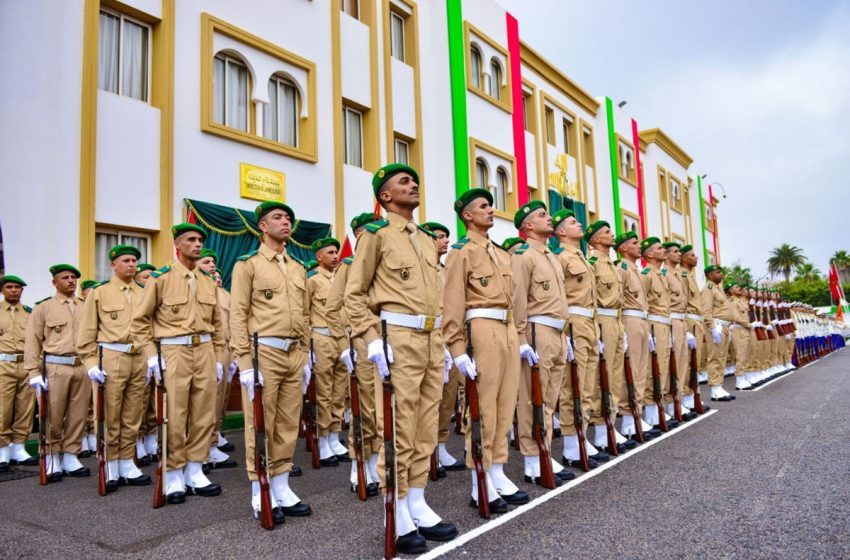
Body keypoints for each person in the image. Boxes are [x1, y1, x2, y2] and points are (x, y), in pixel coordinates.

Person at [345, 164, 458, 553]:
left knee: (426, 424)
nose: (414, 184)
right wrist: (372, 338)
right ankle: (394, 508)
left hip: (429, 337)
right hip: (398, 338)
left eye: (415, 180)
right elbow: (354, 294)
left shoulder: (426, 239)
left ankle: (417, 500)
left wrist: (442, 343)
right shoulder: (376, 236)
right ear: (385, 196)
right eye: (403, 182)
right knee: (398, 425)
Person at [443, 189, 526, 512]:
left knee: (506, 405)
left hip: (506, 330)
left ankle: (498, 470)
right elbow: (452, 303)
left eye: (490, 206)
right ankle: (481, 477)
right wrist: (458, 348)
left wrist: (520, 337)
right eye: (483, 206)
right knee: (484, 408)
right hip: (482, 329)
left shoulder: (501, 253)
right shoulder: (461, 252)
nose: (490, 211)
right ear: (467, 215)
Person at [131, 223, 226, 503]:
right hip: (174, 351)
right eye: (191, 240)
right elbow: (139, 321)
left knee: (203, 413)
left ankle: (195, 469)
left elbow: (218, 325)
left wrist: (219, 357)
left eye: (200, 240)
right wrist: (151, 354)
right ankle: (173, 472)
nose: (197, 244)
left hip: (205, 350)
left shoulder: (208, 281)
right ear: (178, 245)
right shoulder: (160, 279)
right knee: (174, 414)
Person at [230, 201, 312, 523]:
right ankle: (258, 488)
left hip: (294, 351)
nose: (285, 221)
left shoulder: (297, 266)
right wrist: (245, 363)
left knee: (289, 421)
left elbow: (305, 313)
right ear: (263, 226)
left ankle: (281, 484)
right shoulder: (247, 265)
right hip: (263, 351)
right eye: (278, 217)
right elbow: (237, 315)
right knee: (261, 422)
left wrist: (305, 353)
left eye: (288, 217)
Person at [76, 245, 151, 491]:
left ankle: (127, 461)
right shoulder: (100, 293)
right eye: (126, 260)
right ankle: (110, 461)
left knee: (133, 414)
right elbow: (86, 335)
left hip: (139, 357)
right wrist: (90, 364)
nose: (131, 264)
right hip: (111, 357)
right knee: (110, 414)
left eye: (134, 260)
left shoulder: (145, 292)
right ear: (114, 264)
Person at [510, 201, 575, 480]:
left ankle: (544, 451)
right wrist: (522, 339)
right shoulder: (524, 256)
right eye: (541, 215)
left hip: (557, 333)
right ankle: (533, 461)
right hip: (538, 332)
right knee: (532, 399)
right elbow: (518, 300)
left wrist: (567, 335)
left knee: (550, 399)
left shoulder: (550, 256)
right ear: (527, 225)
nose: (549, 218)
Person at [327, 212, 381, 496]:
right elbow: (332, 308)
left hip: (387, 341)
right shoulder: (348, 265)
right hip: (361, 340)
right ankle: (359, 464)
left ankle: (378, 462)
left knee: (386, 407)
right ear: (359, 235)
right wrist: (343, 344)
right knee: (366, 406)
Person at [552, 210, 608, 464]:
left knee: (587, 385)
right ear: (561, 231)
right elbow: (558, 297)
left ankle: (582, 437)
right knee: (571, 386)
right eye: (573, 222)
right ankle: (571, 445)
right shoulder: (560, 258)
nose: (580, 224)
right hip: (573, 323)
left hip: (590, 322)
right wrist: (564, 332)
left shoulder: (583, 258)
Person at [25, 264, 90, 481]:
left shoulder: (86, 305)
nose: (71, 281)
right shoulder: (43, 308)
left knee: (78, 414)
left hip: (82, 366)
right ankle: (52, 455)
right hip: (55, 367)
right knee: (52, 414)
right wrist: (33, 372)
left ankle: (71, 455)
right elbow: (32, 342)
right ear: (55, 282)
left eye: (74, 277)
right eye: (66, 277)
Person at [585, 221, 635, 452]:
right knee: (599, 377)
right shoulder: (592, 263)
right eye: (606, 232)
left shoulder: (614, 266)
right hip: (602, 320)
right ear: (595, 240)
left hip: (616, 320)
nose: (611, 234)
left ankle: (611, 423)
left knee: (615, 376)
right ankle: (600, 429)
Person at [420, 220, 465, 477]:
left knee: (448, 395)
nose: (445, 240)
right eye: (439, 236)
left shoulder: (446, 269)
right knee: (428, 398)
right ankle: (425, 452)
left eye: (446, 236)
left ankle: (440, 445)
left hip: (448, 335)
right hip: (427, 335)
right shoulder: (421, 268)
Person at [307, 237, 351, 466]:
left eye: (336, 252)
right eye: (330, 252)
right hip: (322, 338)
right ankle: (323, 440)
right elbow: (305, 313)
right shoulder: (313, 282)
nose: (335, 256)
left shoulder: (342, 279)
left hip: (342, 339)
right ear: (319, 256)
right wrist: (308, 346)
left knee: (339, 391)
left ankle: (335, 436)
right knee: (323, 393)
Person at [196, 248, 238, 470]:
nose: (212, 265)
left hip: (224, 347)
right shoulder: (197, 287)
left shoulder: (223, 293)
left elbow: (230, 323)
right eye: (206, 261)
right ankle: (205, 447)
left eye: (213, 261)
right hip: (204, 347)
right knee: (205, 401)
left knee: (219, 397)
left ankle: (213, 438)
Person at [616, 232, 658, 441]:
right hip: (629, 320)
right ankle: (627, 416)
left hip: (642, 320)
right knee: (631, 369)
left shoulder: (637, 271)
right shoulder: (621, 269)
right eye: (634, 243)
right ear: (623, 248)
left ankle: (637, 412)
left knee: (642, 369)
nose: (639, 246)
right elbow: (618, 300)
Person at [639, 237, 677, 430]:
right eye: (660, 248)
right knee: (652, 370)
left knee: (663, 366)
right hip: (653, 324)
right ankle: (651, 410)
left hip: (664, 324)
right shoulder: (646, 275)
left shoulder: (661, 275)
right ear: (650, 254)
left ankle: (658, 405)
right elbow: (642, 303)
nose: (665, 251)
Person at [0, 275, 36, 471]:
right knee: (3, 409)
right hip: (3, 364)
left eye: (18, 287)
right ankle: (3, 448)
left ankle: (19, 447)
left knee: (25, 407)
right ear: (2, 290)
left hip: (25, 364)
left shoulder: (29, 313)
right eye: (9, 287)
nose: (14, 290)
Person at [662, 241, 697, 420]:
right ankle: (670, 402)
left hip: (682, 320)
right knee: (671, 364)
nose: (679, 255)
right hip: (672, 320)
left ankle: (679, 399)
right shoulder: (664, 274)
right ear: (667, 256)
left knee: (683, 362)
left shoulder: (677, 274)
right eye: (675, 252)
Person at [132, 263, 158, 465]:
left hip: (159, 352)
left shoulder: (156, 292)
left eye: (151, 276)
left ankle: (151, 436)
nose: (148, 280)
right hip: (138, 353)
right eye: (144, 277)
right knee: (138, 400)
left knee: (154, 401)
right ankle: (137, 440)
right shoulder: (134, 296)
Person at [700, 265, 735, 402]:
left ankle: (719, 385)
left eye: (721, 272)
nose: (721, 274)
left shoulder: (718, 289)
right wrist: (712, 328)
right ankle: (715, 388)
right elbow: (706, 310)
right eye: (717, 272)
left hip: (724, 326)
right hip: (716, 326)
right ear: (709, 275)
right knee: (715, 357)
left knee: (722, 357)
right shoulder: (708, 289)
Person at [680, 246, 708, 411]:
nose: (696, 257)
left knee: (695, 361)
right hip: (689, 320)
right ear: (685, 259)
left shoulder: (690, 275)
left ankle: (692, 394)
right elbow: (681, 302)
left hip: (696, 320)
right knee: (689, 361)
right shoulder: (683, 275)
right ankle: (686, 395)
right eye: (692, 255)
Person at [727, 283, 753, 391]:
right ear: (731, 290)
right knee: (741, 355)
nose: (739, 289)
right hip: (739, 329)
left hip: (744, 329)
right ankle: (739, 380)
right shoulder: (733, 301)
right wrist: (749, 325)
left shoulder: (740, 301)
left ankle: (743, 377)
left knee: (746, 354)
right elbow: (736, 317)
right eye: (737, 287)